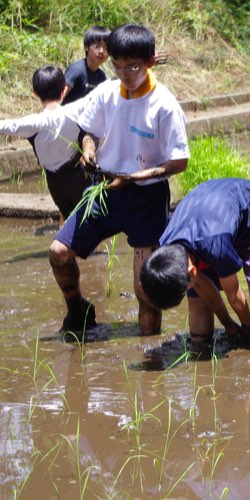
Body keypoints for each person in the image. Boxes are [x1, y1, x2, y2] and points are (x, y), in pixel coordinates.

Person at [49, 24, 189, 338]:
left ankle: (148, 359)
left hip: (146, 197)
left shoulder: (164, 106)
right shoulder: (107, 92)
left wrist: (137, 176)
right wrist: (88, 150)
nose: (124, 74)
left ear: (151, 61)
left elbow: (179, 161)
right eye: (118, 66)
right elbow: (89, 131)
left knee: (145, 287)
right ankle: (77, 310)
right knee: (58, 252)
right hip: (104, 190)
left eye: (133, 67)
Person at [140, 178, 250, 349]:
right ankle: (202, 352)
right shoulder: (166, 246)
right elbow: (204, 287)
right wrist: (229, 325)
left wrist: (248, 330)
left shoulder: (215, 245)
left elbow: (234, 295)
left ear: (191, 272)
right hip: (211, 221)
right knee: (198, 310)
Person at [0, 65, 91, 225]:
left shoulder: (33, 123)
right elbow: (100, 94)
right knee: (87, 220)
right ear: (64, 90)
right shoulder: (75, 110)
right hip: (78, 175)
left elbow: (6, 126)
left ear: (35, 93)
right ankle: (90, 250)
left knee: (66, 217)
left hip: (54, 181)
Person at [62, 26, 111, 105]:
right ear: (86, 47)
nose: (102, 51)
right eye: (97, 46)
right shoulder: (76, 70)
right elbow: (60, 97)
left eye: (106, 48)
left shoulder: (101, 76)